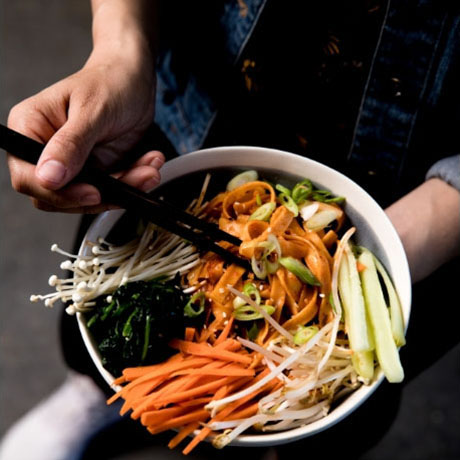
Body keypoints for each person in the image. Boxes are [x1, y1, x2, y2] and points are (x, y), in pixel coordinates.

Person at [1, 0, 459, 459]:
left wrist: (403, 232)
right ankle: (94, 395)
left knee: (338, 419)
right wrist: (120, 50)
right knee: (105, 296)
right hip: (189, 113)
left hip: (416, 201)